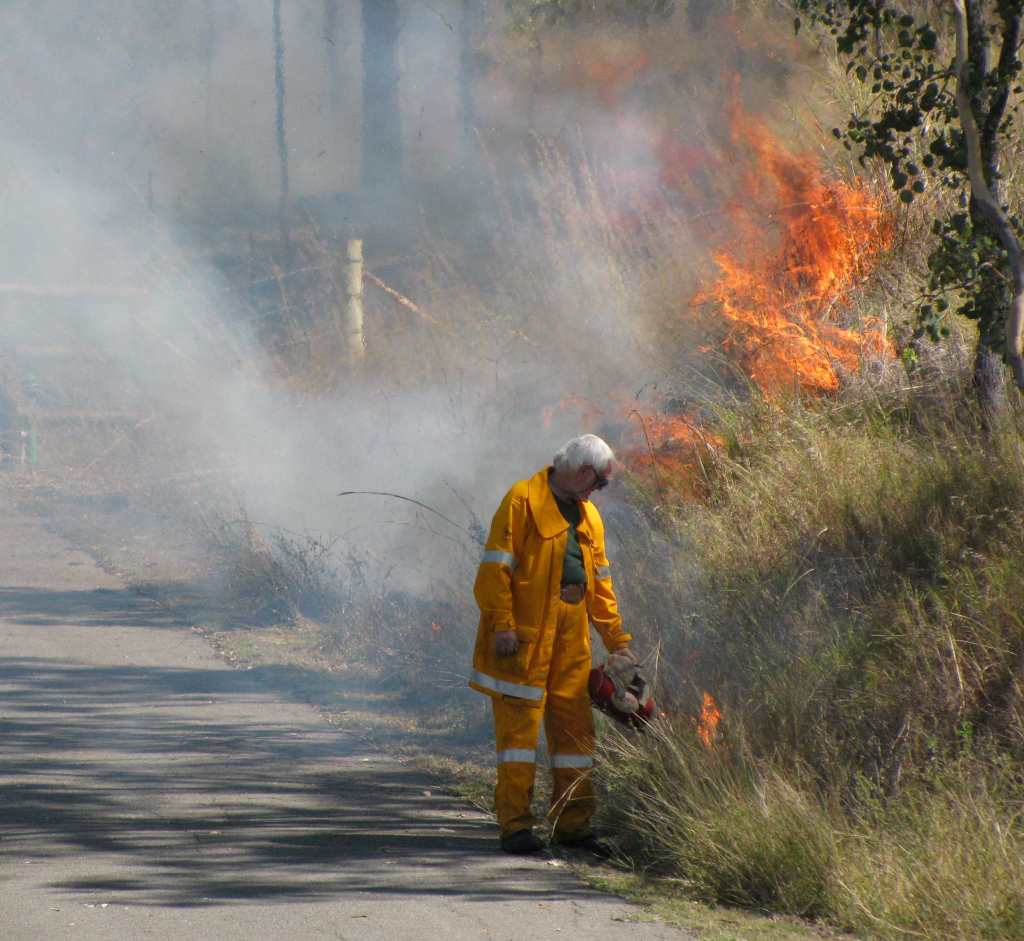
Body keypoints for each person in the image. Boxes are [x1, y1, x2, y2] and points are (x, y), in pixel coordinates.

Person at [469, 434, 636, 855]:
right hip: (523, 638)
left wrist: (617, 641)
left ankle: (573, 828)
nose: (598, 492)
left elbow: (601, 586)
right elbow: (494, 572)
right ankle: (516, 827)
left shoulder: (589, 517)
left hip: (571, 633)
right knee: (519, 739)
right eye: (599, 483)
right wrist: (503, 626)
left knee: (575, 734)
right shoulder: (522, 500)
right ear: (582, 473)